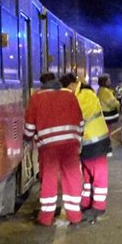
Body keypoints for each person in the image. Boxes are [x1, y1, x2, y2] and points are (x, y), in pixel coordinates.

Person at [24, 73, 85, 226]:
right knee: (72, 178)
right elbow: (81, 121)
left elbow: (29, 127)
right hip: (70, 144)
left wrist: (26, 139)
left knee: (49, 179)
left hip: (48, 147)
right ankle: (75, 216)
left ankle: (46, 218)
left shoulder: (36, 98)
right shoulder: (70, 96)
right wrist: (77, 138)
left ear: (42, 84)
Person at [62, 73, 111, 221]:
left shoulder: (85, 95)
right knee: (88, 174)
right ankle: (86, 202)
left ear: (71, 85)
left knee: (98, 175)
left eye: (67, 89)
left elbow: (79, 115)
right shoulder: (80, 94)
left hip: (95, 141)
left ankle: (99, 206)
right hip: (87, 141)